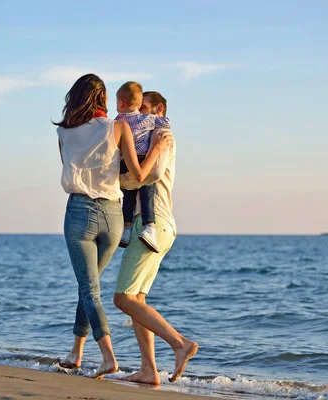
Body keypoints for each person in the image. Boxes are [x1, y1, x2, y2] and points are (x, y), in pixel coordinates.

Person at [55, 75, 174, 378]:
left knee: (88, 287)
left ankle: (108, 357)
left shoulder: (63, 133)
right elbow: (138, 174)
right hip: (113, 217)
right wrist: (157, 149)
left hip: (79, 212)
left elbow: (71, 168)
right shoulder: (118, 127)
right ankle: (76, 352)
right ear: (104, 99)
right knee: (90, 286)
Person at [114, 91, 198, 384]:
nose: (142, 116)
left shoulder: (162, 135)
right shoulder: (150, 134)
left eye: (147, 109)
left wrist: (119, 179)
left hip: (153, 223)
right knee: (137, 298)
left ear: (159, 109)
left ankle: (180, 343)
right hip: (157, 225)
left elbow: (148, 175)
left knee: (122, 298)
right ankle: (149, 370)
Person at [115, 82, 172, 252]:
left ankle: (138, 228)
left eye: (144, 107)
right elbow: (166, 122)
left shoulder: (163, 137)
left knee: (136, 192)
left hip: (158, 215)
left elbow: (152, 174)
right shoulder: (151, 123)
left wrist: (121, 182)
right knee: (143, 190)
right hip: (139, 159)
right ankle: (145, 228)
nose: (140, 111)